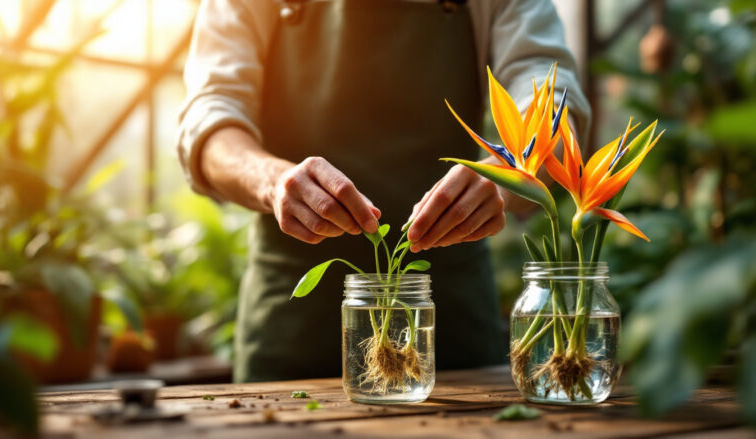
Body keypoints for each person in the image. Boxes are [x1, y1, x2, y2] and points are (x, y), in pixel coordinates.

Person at [177, 0, 591, 382]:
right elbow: (211, 113)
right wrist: (270, 180)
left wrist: (509, 170)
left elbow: (551, 99)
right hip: (291, 319)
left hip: (448, 313)